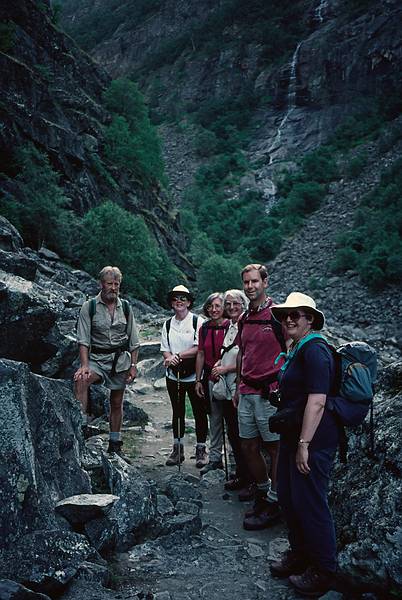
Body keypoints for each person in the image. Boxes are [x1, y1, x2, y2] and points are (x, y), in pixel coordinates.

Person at [270, 292, 338, 597]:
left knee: (311, 503)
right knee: (288, 496)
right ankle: (300, 554)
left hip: (314, 440)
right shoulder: (298, 348)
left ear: (310, 319)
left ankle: (324, 570)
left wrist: (304, 444)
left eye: (296, 315)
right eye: (286, 315)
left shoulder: (316, 351)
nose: (289, 319)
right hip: (293, 437)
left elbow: (318, 401)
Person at [233, 263, 287, 530]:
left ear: (265, 282)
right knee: (248, 445)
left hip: (270, 393)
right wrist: (236, 387)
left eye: (254, 281)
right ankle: (264, 490)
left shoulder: (278, 316)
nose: (250, 286)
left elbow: (291, 350)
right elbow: (243, 353)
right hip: (246, 390)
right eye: (246, 282)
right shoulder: (244, 318)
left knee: (274, 447)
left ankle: (274, 501)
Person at [74, 266, 140, 462]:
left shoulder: (126, 307)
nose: (113, 288)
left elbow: (134, 341)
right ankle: (81, 428)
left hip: (119, 361)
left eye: (116, 284)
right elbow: (83, 340)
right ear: (101, 284)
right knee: (81, 380)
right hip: (97, 360)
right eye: (109, 284)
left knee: (117, 402)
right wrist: (84, 365)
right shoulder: (89, 306)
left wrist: (134, 366)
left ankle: (115, 443)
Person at [160, 285, 208, 468]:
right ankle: (177, 449)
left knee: (199, 412)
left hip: (194, 375)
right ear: (171, 303)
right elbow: (165, 348)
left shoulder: (198, 322)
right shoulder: (167, 324)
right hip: (174, 375)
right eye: (175, 299)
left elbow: (199, 348)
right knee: (177, 411)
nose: (179, 301)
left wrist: (177, 356)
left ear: (189, 302)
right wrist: (169, 359)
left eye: (183, 298)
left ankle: (201, 449)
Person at [211, 289, 251, 492]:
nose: (232, 307)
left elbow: (247, 358)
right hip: (227, 388)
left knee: (243, 435)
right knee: (234, 435)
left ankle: (249, 478)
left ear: (243, 304)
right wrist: (220, 362)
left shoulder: (245, 325)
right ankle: (241, 475)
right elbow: (231, 353)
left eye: (236, 303)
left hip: (238, 388)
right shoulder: (231, 326)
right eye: (228, 304)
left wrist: (225, 368)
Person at [195, 293, 229, 474]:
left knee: (232, 420)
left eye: (218, 306)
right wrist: (198, 379)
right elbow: (200, 353)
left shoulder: (231, 326)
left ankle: (235, 459)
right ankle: (215, 458)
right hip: (210, 377)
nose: (214, 310)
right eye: (210, 306)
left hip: (229, 376)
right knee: (214, 418)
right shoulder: (205, 328)